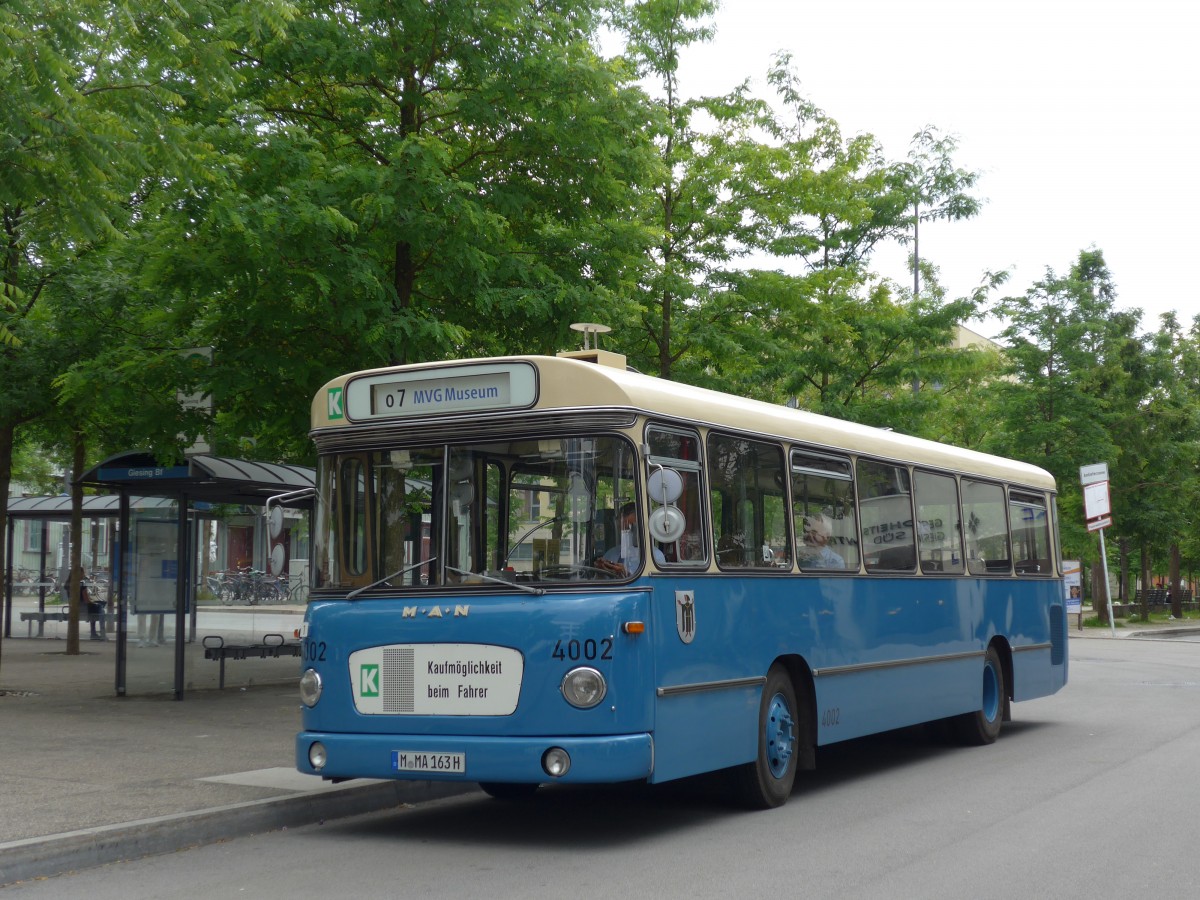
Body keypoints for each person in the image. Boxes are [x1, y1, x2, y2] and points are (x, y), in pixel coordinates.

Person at [595, 501, 666, 576]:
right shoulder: (611, 554)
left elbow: (655, 585)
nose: (626, 533)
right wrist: (600, 571)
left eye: (632, 527)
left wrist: (626, 575)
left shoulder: (655, 557)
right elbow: (600, 582)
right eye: (623, 528)